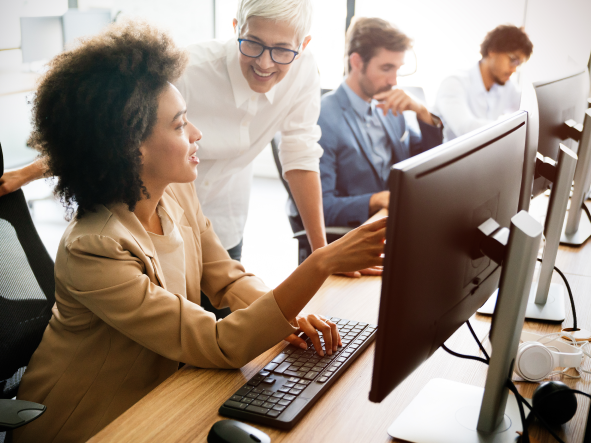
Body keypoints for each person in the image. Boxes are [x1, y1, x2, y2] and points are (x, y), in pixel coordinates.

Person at [11, 21, 386, 443]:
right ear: (131, 148)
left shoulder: (177, 196)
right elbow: (219, 343)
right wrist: (321, 262)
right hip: (85, 424)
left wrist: (289, 318)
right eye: (178, 125)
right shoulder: (95, 248)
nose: (196, 134)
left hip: (157, 399)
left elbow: (225, 277)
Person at [0, 0, 329, 284]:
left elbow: (300, 155)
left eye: (283, 50)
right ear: (236, 27)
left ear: (303, 45)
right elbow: (107, 132)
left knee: (223, 308)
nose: (265, 62)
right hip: (153, 219)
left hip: (222, 221)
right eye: (253, 43)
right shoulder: (190, 70)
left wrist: (321, 254)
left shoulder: (304, 73)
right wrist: (29, 173)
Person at [318, 17, 443, 228]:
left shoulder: (390, 106)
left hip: (401, 219)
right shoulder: (324, 118)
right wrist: (375, 200)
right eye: (386, 68)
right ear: (356, 62)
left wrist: (422, 113)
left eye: (397, 69)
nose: (394, 81)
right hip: (362, 230)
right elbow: (322, 208)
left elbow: (426, 167)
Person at [434, 24, 533, 142]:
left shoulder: (507, 86)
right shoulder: (454, 83)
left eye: (518, 64)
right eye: (513, 60)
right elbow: (465, 129)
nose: (514, 69)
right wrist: (514, 130)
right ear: (493, 51)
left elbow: (532, 109)